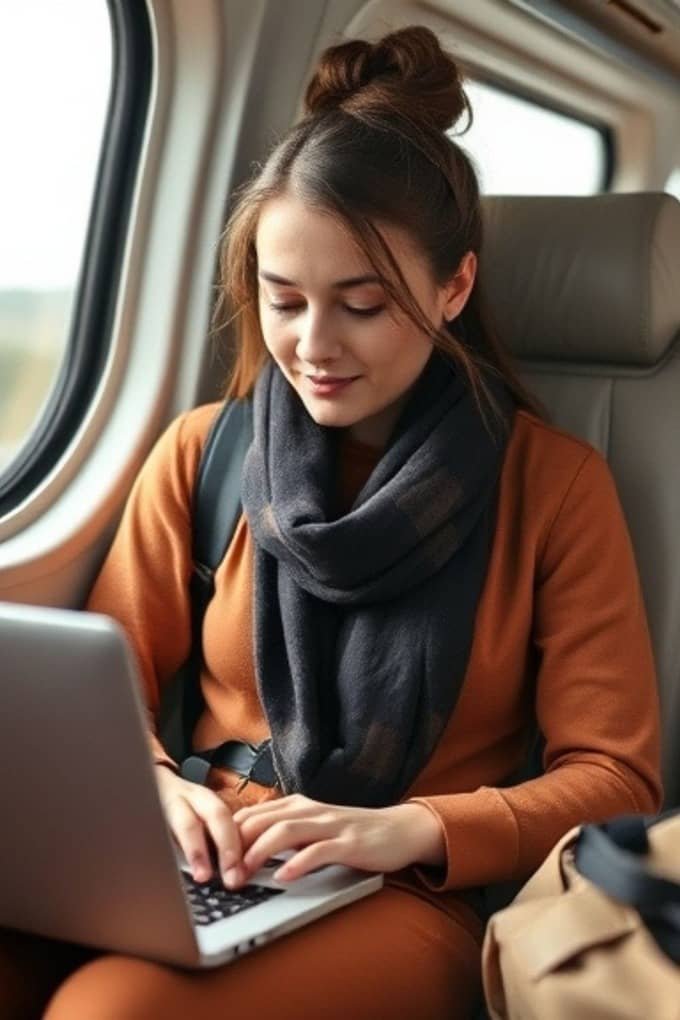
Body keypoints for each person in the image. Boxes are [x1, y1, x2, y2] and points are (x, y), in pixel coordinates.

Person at [0, 25, 662, 1020]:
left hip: (403, 891)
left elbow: (613, 778)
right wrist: (157, 790)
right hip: (193, 849)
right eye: (284, 301)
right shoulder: (202, 451)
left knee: (110, 1010)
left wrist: (415, 829)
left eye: (361, 304)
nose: (313, 346)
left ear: (452, 288)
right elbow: (105, 691)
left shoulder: (554, 487)